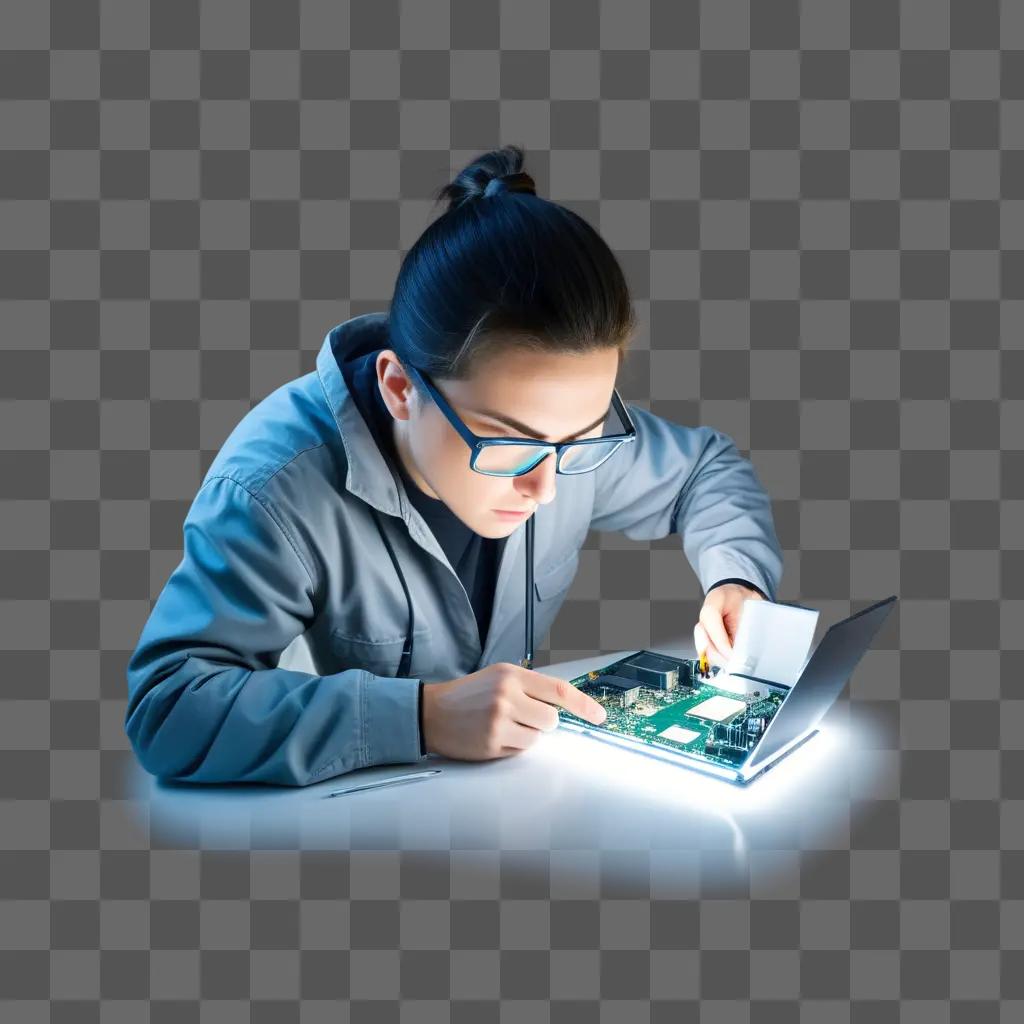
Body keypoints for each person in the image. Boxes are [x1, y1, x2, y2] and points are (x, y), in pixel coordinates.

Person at [124, 145, 782, 787]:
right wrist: (421, 716)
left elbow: (706, 471)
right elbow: (168, 708)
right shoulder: (275, 488)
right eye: (510, 443)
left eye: (579, 440)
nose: (545, 488)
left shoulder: (558, 447)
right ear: (399, 388)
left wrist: (735, 581)